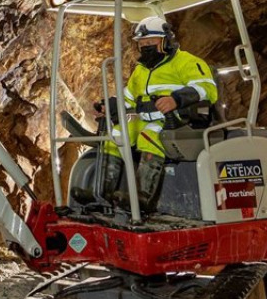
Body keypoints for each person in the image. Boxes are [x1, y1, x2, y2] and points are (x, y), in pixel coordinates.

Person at [90, 15, 219, 213]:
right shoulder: (141, 70)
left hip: (179, 119)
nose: (146, 46)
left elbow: (207, 89)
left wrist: (176, 99)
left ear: (166, 41)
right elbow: (129, 97)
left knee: (149, 136)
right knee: (116, 135)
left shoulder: (186, 62)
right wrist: (111, 106)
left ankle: (142, 198)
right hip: (145, 118)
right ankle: (103, 196)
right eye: (142, 43)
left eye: (151, 42)